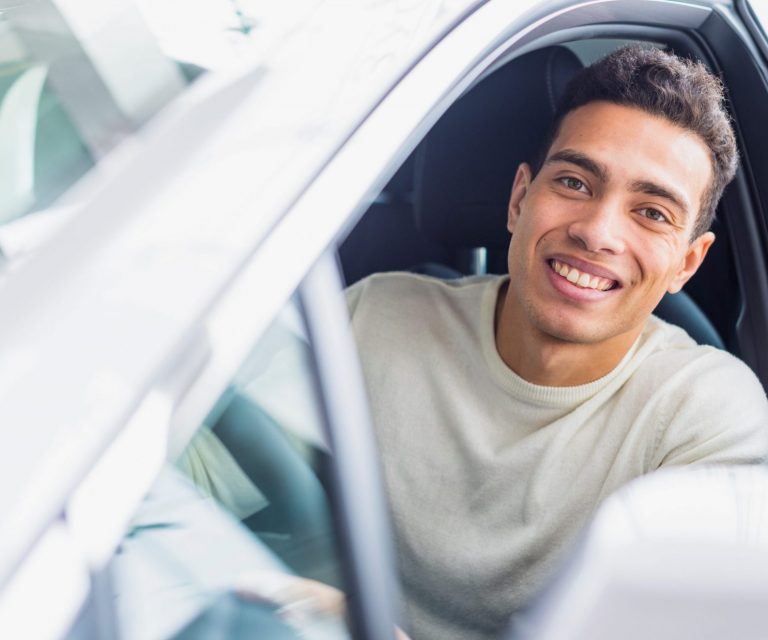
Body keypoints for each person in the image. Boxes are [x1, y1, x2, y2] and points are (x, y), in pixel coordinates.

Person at [346, 45, 768, 640]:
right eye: (574, 181)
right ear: (519, 199)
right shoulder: (374, 315)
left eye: (651, 212)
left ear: (687, 265)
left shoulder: (709, 416)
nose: (597, 232)